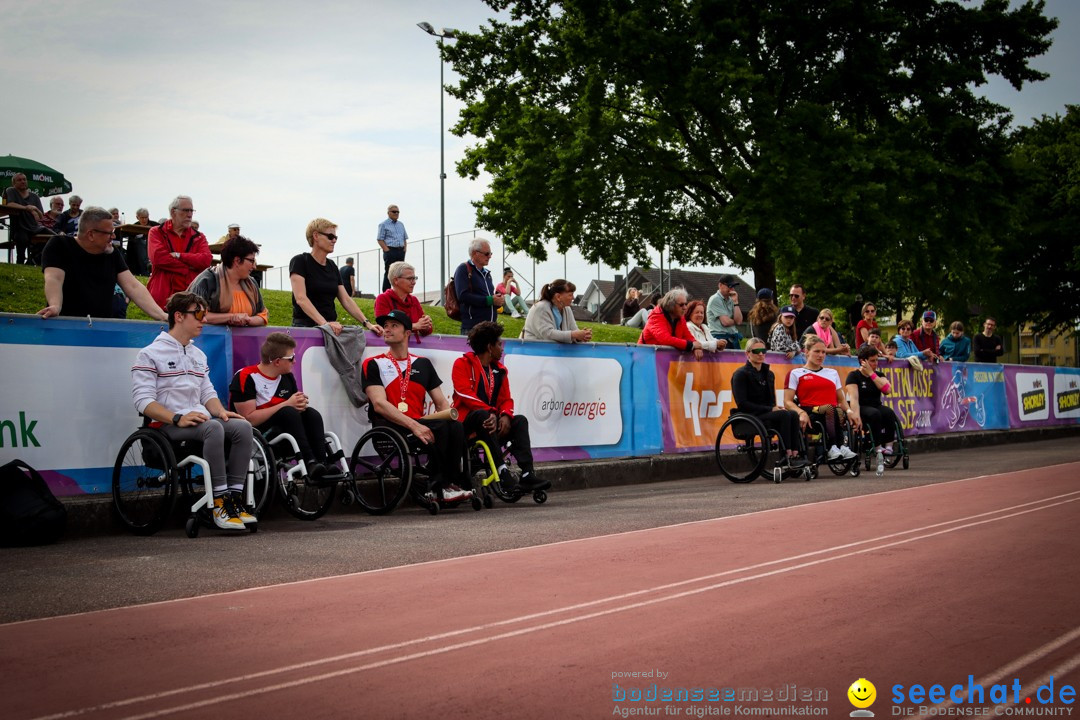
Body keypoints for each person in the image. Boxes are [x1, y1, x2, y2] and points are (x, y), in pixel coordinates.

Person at [131, 292, 255, 531]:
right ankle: (219, 503)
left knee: (241, 427)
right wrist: (177, 418)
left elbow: (207, 393)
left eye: (205, 314)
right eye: (198, 314)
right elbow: (142, 401)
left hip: (200, 422)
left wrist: (222, 412)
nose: (204, 320)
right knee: (213, 427)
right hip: (167, 426)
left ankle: (234, 500)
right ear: (178, 316)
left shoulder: (198, 354)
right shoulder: (149, 354)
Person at [361, 309, 473, 503]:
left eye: (394, 326)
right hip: (390, 426)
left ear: (407, 333)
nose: (387, 329)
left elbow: (441, 403)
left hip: (419, 423)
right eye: (385, 326)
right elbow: (379, 404)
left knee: (454, 425)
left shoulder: (422, 364)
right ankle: (436, 488)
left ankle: (451, 482)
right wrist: (414, 426)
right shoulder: (373, 363)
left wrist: (449, 417)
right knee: (439, 427)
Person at [452, 321, 550, 492]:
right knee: (484, 417)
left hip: (492, 421)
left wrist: (505, 415)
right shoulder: (462, 364)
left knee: (519, 421)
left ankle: (527, 474)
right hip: (467, 424)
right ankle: (502, 471)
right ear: (490, 347)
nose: (502, 347)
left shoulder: (500, 370)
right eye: (499, 344)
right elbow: (464, 393)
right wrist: (490, 412)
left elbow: (506, 399)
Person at [230, 332, 334, 481]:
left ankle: (322, 462)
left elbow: (294, 407)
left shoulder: (287, 377)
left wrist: (300, 404)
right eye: (291, 358)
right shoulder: (246, 376)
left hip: (286, 429)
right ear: (277, 361)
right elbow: (248, 419)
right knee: (288, 412)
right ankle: (309, 462)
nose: (295, 361)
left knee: (311, 414)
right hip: (259, 434)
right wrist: (286, 404)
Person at [38, 206, 166, 321]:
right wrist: (55, 305)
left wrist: (161, 315)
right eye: (109, 233)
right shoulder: (59, 245)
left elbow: (133, 286)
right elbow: (54, 278)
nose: (113, 237)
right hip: (65, 326)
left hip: (101, 327)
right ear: (91, 234)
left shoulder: (112, 253)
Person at [291, 218, 382, 336]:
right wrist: (324, 324)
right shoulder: (300, 261)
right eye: (330, 236)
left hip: (331, 329)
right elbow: (301, 298)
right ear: (316, 236)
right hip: (306, 329)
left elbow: (346, 299)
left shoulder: (332, 266)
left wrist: (367, 323)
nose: (334, 240)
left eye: (336, 237)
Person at [784, 334, 859, 461]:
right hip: (810, 411)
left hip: (832, 413)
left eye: (823, 352)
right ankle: (833, 447)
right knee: (830, 408)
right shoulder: (795, 373)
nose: (821, 355)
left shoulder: (832, 373)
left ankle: (840, 447)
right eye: (817, 351)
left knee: (838, 409)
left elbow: (841, 400)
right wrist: (801, 412)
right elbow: (787, 401)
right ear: (807, 352)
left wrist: (850, 411)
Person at [731, 338, 804, 465]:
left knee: (792, 414)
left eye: (763, 351)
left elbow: (771, 400)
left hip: (766, 412)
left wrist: (775, 407)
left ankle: (795, 453)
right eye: (756, 351)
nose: (761, 354)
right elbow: (742, 404)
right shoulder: (740, 374)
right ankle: (785, 454)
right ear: (747, 354)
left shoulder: (769, 374)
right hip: (751, 414)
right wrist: (770, 409)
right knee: (784, 414)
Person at [146, 195, 212, 309]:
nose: (190, 214)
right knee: (162, 327)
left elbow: (206, 260)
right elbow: (158, 258)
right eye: (186, 210)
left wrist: (179, 256)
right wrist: (187, 268)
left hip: (190, 300)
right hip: (163, 300)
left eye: (192, 210)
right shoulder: (156, 232)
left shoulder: (199, 237)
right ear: (173, 212)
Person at [187, 235, 268, 326]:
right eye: (251, 261)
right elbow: (195, 314)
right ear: (237, 260)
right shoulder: (207, 280)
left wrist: (247, 320)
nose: (254, 266)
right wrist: (231, 317)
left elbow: (263, 316)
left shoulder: (252, 284)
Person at [845, 345, 899, 456]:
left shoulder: (879, 375)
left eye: (877, 360)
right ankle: (877, 446)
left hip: (876, 405)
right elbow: (854, 399)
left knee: (889, 413)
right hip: (862, 407)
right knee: (875, 414)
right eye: (872, 361)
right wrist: (856, 416)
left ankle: (889, 446)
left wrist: (871, 374)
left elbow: (887, 390)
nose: (876, 363)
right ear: (862, 361)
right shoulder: (854, 376)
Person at [453, 237, 503, 334]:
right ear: (475, 253)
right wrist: (490, 300)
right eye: (487, 253)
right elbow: (463, 296)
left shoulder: (487, 274)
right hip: (474, 329)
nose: (490, 256)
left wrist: (497, 301)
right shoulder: (463, 269)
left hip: (490, 328)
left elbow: (487, 298)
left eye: (490, 253)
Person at [638, 287, 704, 359]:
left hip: (662, 358)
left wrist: (696, 347)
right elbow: (665, 339)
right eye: (681, 305)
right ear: (671, 304)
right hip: (645, 358)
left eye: (686, 304)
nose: (685, 307)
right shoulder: (656, 316)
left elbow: (687, 336)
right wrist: (691, 345)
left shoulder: (680, 317)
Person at [374, 261, 434, 341]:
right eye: (410, 278)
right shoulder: (383, 299)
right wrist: (415, 326)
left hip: (413, 350)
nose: (414, 282)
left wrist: (426, 325)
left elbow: (426, 332)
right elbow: (386, 328)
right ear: (396, 280)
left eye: (414, 278)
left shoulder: (414, 300)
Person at [522, 279, 592, 343]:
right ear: (558, 297)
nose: (573, 298)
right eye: (570, 295)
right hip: (532, 352)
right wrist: (573, 335)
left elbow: (574, 330)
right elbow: (548, 334)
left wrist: (581, 336)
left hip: (553, 353)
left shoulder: (567, 309)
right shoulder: (540, 308)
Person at [3, 173, 48, 265]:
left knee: (55, 238)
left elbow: (41, 216)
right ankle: (20, 262)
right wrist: (27, 208)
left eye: (24, 179)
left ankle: (33, 260)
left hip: (35, 228)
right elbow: (9, 205)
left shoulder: (34, 196)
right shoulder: (11, 191)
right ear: (14, 183)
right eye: (19, 180)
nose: (23, 182)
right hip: (19, 227)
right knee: (21, 240)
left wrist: (35, 210)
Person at [376, 203, 407, 292]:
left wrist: (404, 249)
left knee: (400, 272)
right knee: (389, 272)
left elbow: (404, 238)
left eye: (398, 212)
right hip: (390, 251)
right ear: (388, 213)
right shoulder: (383, 224)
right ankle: (386, 292)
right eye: (394, 212)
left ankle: (399, 291)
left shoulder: (401, 224)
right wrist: (387, 251)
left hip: (400, 251)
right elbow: (380, 239)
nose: (396, 213)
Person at [706, 274, 742, 349]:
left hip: (732, 336)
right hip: (719, 337)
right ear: (720, 285)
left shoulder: (732, 299)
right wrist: (735, 321)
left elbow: (739, 321)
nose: (731, 289)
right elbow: (726, 322)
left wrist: (736, 302)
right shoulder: (715, 299)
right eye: (729, 286)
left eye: (733, 286)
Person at [122, 208, 157, 277]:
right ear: (137, 217)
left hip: (153, 247)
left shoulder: (155, 225)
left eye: (146, 217)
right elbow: (130, 241)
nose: (144, 220)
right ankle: (145, 272)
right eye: (142, 218)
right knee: (140, 243)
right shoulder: (133, 227)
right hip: (138, 252)